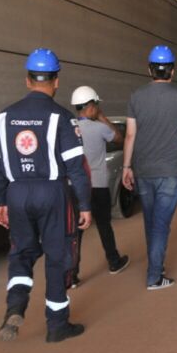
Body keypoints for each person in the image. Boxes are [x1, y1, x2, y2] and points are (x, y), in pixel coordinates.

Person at [0, 48, 92, 343]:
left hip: (17, 191)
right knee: (57, 256)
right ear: (56, 81)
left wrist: (1, 200)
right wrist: (84, 204)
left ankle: (15, 305)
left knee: (21, 252)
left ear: (27, 80)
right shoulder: (62, 117)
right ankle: (57, 324)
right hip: (52, 191)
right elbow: (76, 167)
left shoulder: (5, 116)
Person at [121, 45, 177, 290]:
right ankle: (155, 276)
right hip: (169, 172)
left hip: (144, 171)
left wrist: (126, 166)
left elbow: (130, 135)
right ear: (173, 71)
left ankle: (157, 266)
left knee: (151, 221)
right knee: (161, 224)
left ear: (149, 69)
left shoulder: (136, 96)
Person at [68, 86, 130, 287]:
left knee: (76, 232)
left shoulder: (69, 129)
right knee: (104, 224)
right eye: (97, 105)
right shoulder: (98, 127)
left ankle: (72, 275)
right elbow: (119, 139)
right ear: (91, 106)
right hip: (98, 186)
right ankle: (114, 262)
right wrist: (103, 118)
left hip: (75, 187)